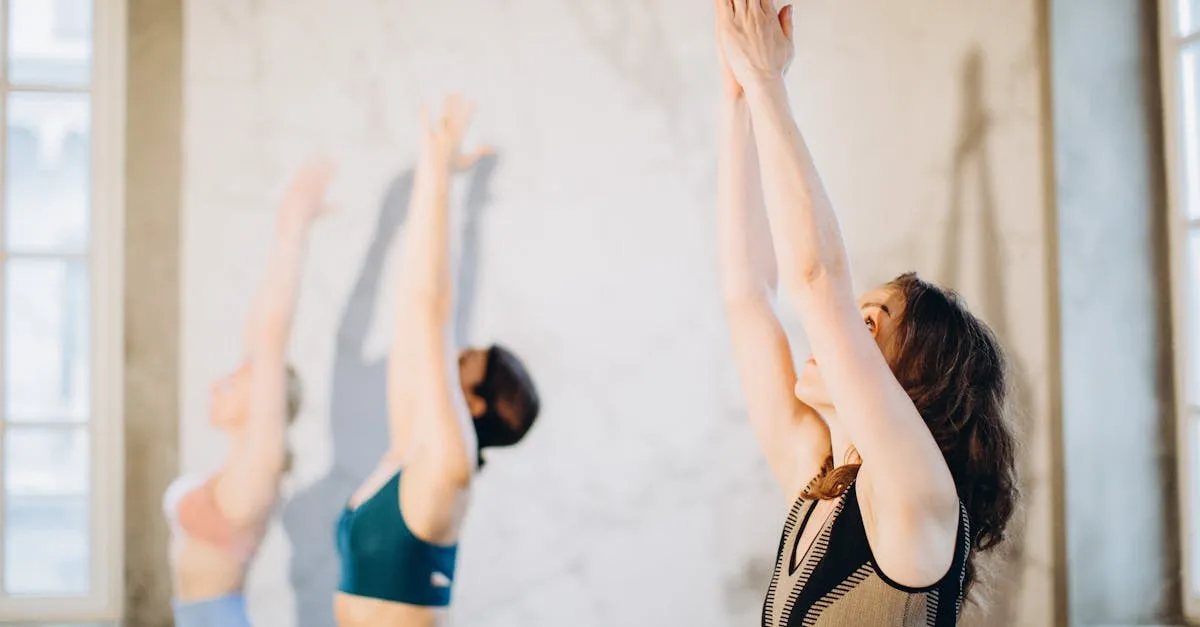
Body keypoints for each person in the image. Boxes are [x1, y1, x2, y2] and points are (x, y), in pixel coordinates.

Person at [712, 2, 1019, 625]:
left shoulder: (919, 496)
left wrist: (771, 84)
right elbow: (747, 295)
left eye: (872, 322)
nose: (847, 329)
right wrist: (738, 93)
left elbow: (815, 279)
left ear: (919, 382)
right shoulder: (819, 476)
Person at [334, 96, 541, 627]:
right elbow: (414, 308)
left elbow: (432, 308)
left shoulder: (450, 465)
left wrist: (436, 168)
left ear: (474, 401)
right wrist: (440, 176)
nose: (452, 351)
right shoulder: (417, 450)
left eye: (466, 359)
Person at [163, 161, 335, 627]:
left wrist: (292, 229)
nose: (218, 386)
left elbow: (268, 338)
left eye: (237, 381)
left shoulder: (257, 466)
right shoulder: (238, 466)